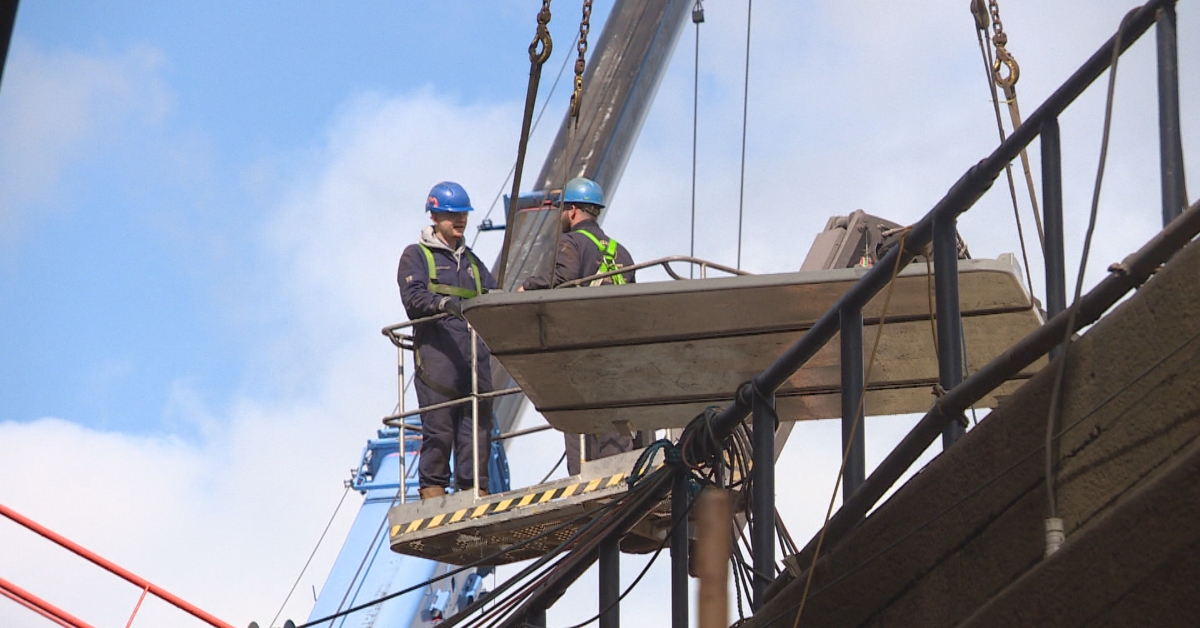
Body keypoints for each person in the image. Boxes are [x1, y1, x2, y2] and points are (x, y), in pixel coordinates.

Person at [520, 177, 636, 475]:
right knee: (617, 425)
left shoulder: (571, 243)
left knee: (580, 425)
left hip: (582, 355)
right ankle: (621, 480)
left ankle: (583, 481)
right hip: (618, 357)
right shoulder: (621, 253)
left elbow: (562, 279)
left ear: (572, 211)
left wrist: (527, 288)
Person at [398, 181, 497, 499]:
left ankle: (474, 493)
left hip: (473, 357)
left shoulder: (472, 263)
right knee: (439, 428)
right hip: (438, 356)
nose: (461, 220)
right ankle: (433, 495)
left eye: (463, 214)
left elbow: (493, 296)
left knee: (477, 429)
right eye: (453, 214)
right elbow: (413, 298)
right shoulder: (417, 256)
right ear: (435, 215)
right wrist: (443, 304)